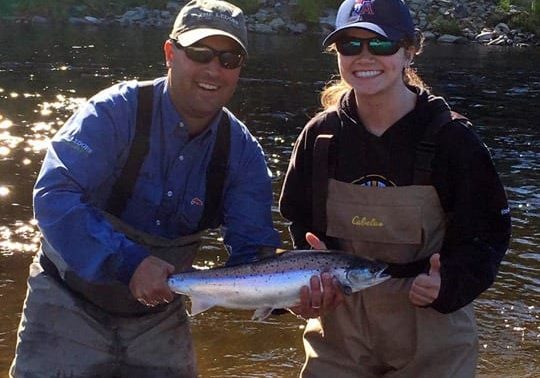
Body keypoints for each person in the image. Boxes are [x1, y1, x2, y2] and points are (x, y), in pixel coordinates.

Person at [10, 1, 281, 377]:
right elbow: (54, 196)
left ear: (239, 69)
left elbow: (252, 256)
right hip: (67, 301)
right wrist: (129, 262)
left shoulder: (243, 155)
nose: (213, 70)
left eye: (228, 59)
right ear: (170, 53)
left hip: (159, 316)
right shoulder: (113, 113)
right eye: (200, 53)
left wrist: (286, 294)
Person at [279, 0, 512, 376]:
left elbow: (489, 233)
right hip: (340, 329)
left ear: (409, 50)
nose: (364, 56)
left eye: (381, 45)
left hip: (433, 327)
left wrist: (449, 284)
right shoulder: (320, 136)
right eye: (349, 46)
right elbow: (298, 222)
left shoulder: (453, 139)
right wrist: (304, 288)